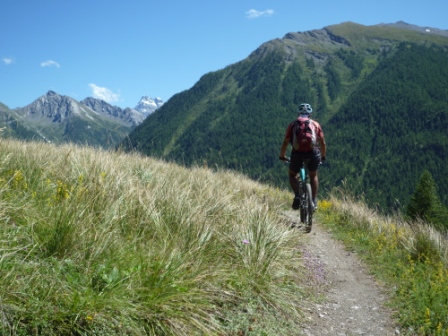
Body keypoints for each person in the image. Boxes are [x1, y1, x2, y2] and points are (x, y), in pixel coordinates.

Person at [279, 103, 326, 211]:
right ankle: (313, 200)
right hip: (313, 153)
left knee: (292, 175)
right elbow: (322, 142)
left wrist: (282, 156)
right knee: (313, 175)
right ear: (309, 114)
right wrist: (323, 156)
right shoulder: (315, 124)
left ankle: (297, 195)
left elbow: (286, 142)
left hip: (297, 154)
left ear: (298, 113)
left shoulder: (293, 125)